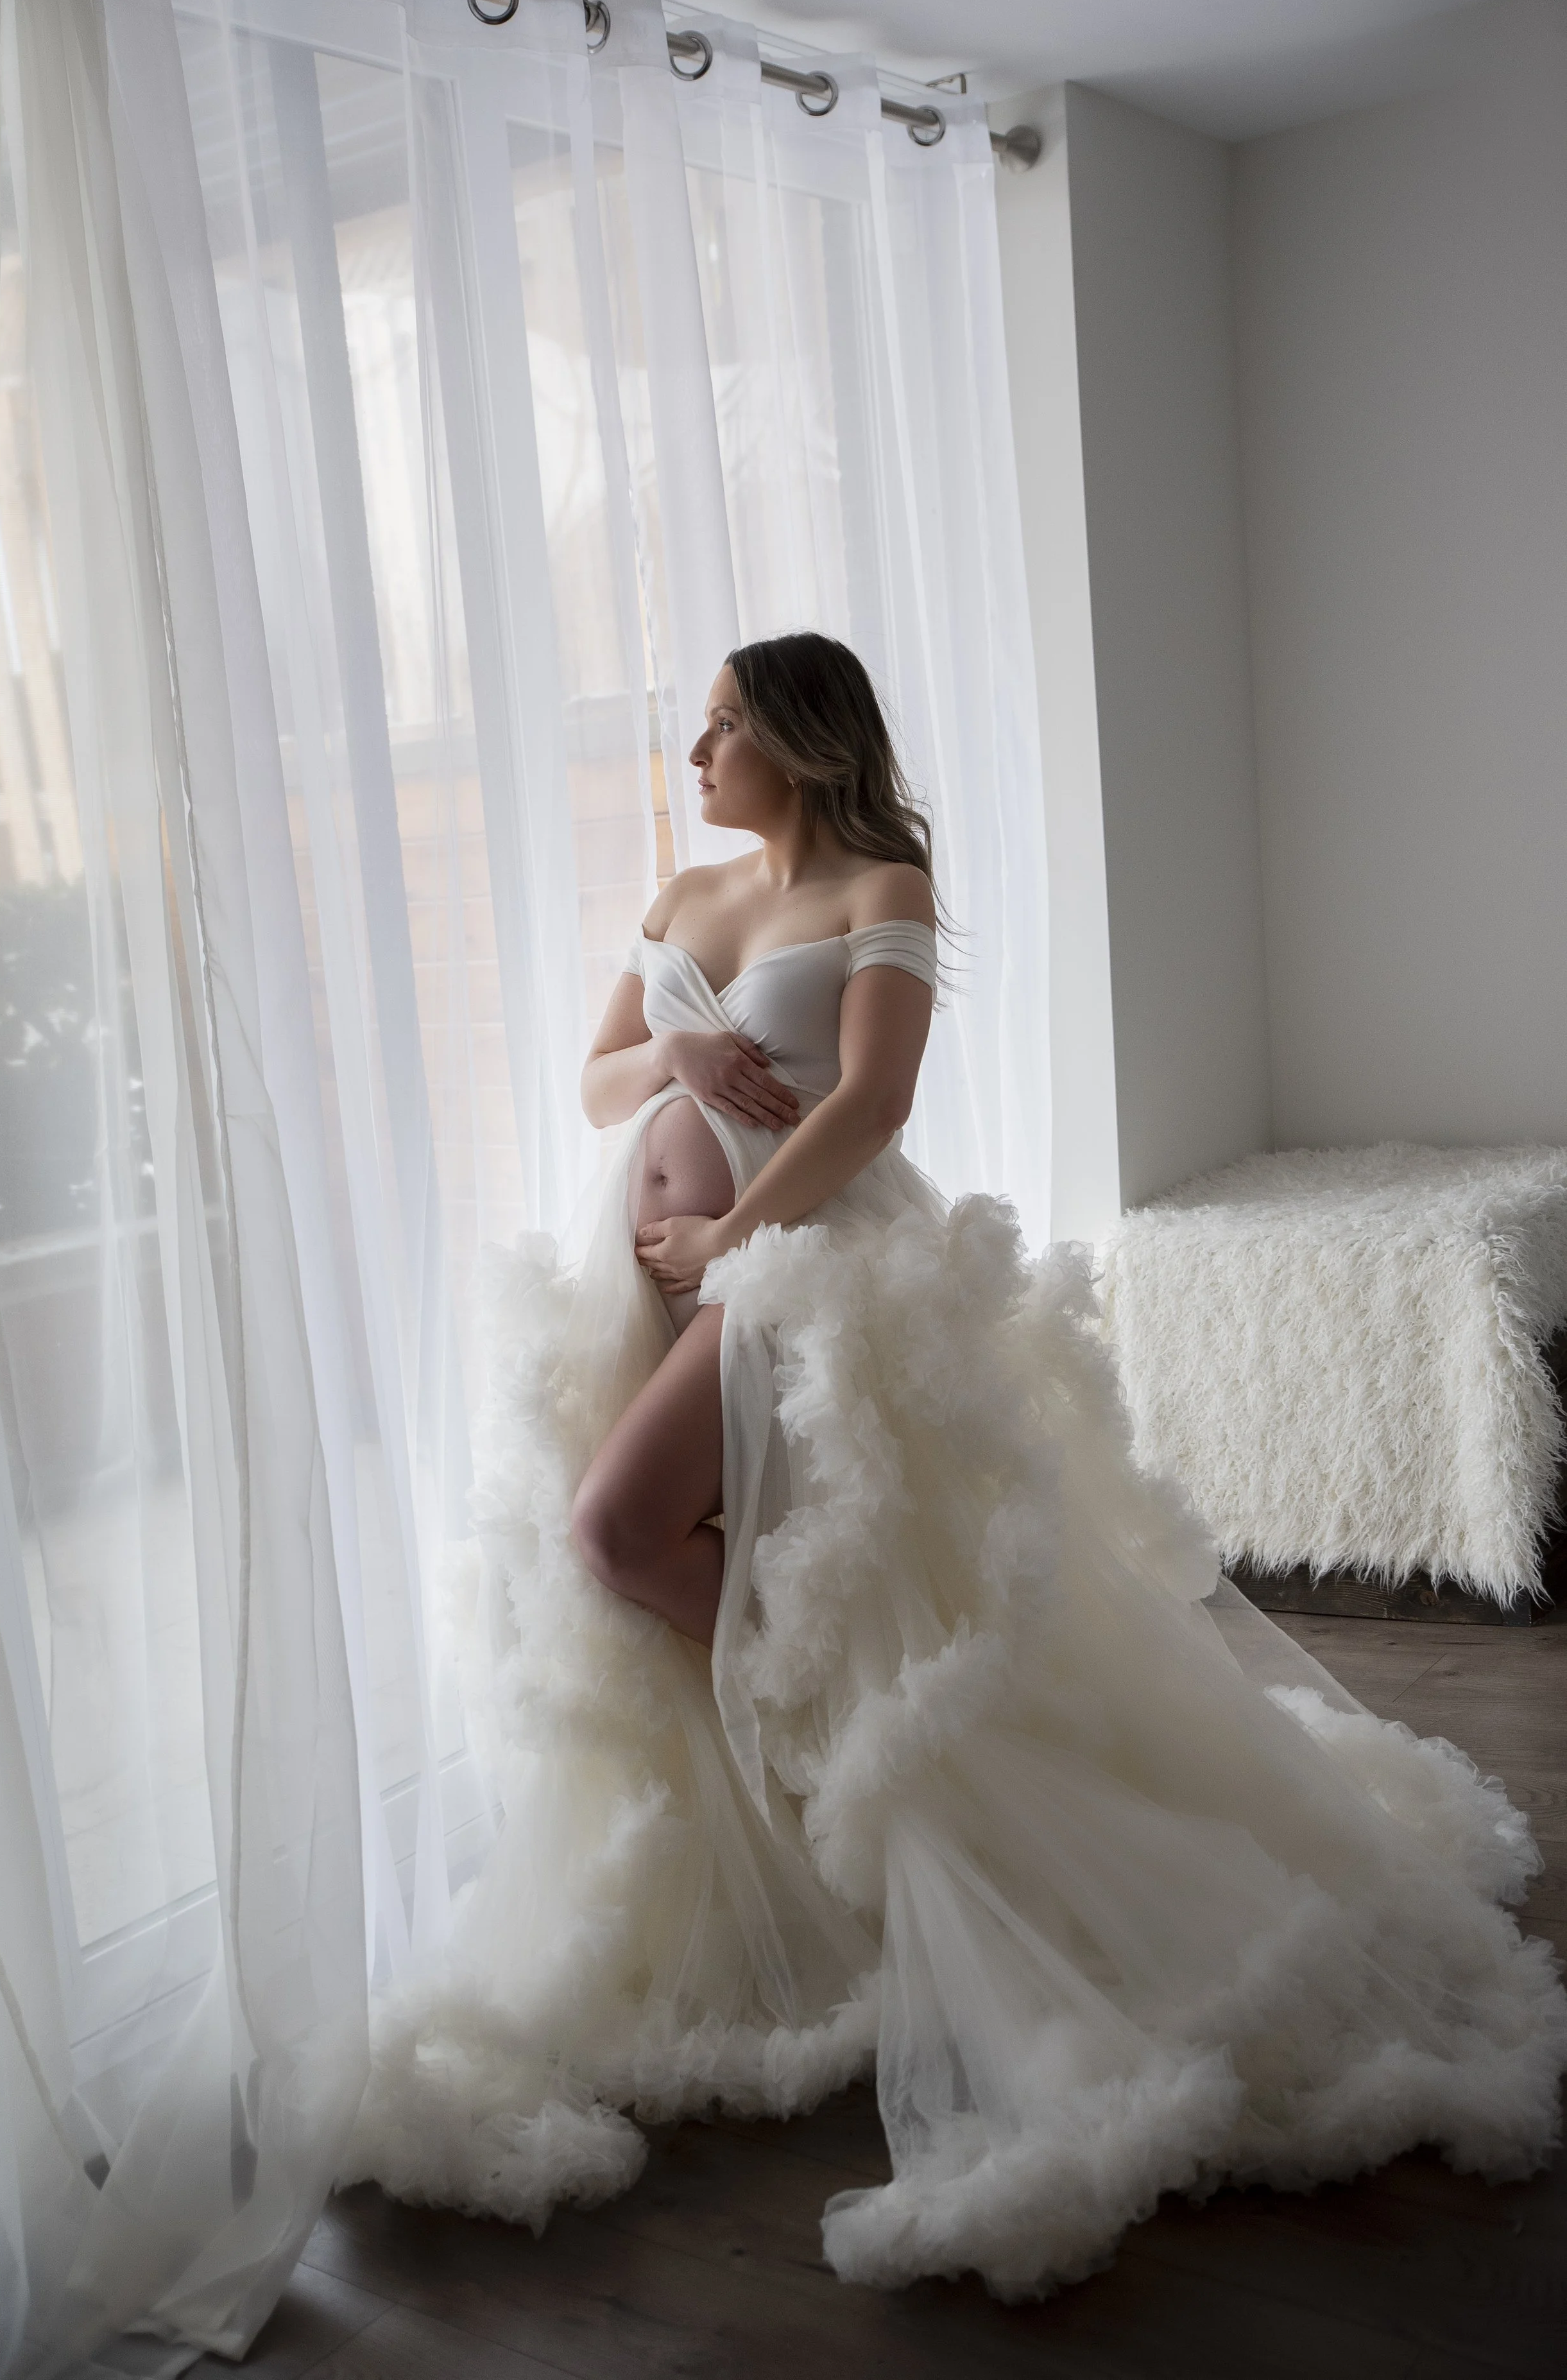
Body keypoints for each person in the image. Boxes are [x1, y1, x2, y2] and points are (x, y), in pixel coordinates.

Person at [343, 634, 1566, 2302]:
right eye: (694, 727)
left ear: (792, 736)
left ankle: (844, 1746)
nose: (691, 751)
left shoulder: (875, 880)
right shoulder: (686, 899)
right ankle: (823, 1785)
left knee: (618, 1530)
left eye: (719, 727)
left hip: (800, 1270)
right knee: (662, 1543)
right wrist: (678, 1068)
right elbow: (592, 1083)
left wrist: (729, 1232)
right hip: (648, 1284)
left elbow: (872, 1105)